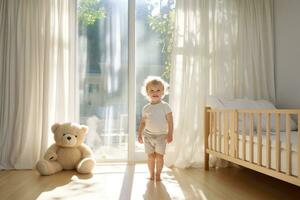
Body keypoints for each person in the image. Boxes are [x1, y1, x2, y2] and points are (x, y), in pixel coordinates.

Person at [137, 76, 173, 181]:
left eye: (158, 90)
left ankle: (158, 174)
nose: (155, 92)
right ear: (147, 93)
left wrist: (170, 134)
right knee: (151, 157)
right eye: (151, 90)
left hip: (161, 136)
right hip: (148, 135)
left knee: (159, 156)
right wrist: (139, 134)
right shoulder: (146, 108)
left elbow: (170, 121)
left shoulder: (165, 106)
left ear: (163, 92)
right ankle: (151, 174)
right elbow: (143, 122)